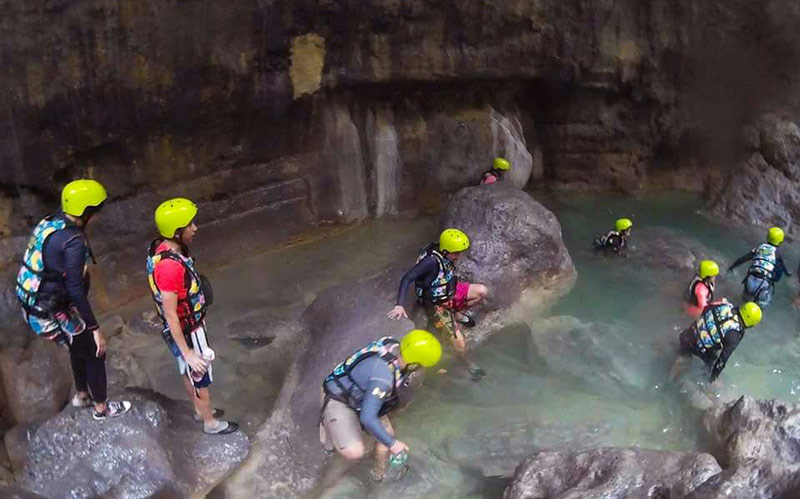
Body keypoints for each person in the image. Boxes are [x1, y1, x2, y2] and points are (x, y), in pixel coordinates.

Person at [15, 179, 131, 420]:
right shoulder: (73, 242)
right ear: (86, 213)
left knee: (78, 342)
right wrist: (95, 328)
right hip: (45, 313)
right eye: (96, 210)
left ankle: (82, 395)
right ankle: (102, 409)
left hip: (40, 303)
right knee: (95, 349)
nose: (98, 216)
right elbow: (76, 290)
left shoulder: (51, 222)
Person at [146, 198, 237, 435]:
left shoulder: (165, 249)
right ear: (177, 232)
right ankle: (210, 423)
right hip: (187, 330)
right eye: (189, 225)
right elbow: (170, 313)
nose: (195, 228)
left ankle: (200, 411)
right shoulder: (169, 268)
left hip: (186, 327)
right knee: (199, 374)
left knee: (188, 371)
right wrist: (188, 353)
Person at [320, 329, 442, 481]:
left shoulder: (393, 346)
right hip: (339, 397)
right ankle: (327, 425)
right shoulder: (383, 377)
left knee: (387, 433)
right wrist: (394, 445)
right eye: (421, 365)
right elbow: (367, 418)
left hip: (362, 393)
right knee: (355, 451)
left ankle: (379, 473)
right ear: (413, 364)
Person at [387, 229, 488, 381]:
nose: (459, 256)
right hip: (436, 303)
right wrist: (399, 305)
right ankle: (466, 363)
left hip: (449, 290)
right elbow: (407, 278)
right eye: (456, 253)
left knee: (481, 291)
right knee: (459, 342)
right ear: (446, 251)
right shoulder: (431, 261)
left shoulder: (443, 252)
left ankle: (456, 314)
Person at [670, 301, 762, 383]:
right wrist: (712, 378)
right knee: (710, 363)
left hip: (688, 334)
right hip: (697, 347)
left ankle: (670, 379)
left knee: (681, 358)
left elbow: (706, 309)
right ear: (751, 324)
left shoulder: (725, 306)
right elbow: (722, 361)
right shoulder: (734, 335)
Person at [727, 227, 791, 308]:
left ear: (767, 237)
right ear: (781, 241)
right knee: (759, 308)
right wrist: (787, 274)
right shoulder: (777, 254)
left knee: (742, 303)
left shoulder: (760, 247)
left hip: (750, 279)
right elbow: (781, 273)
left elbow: (743, 259)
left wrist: (732, 267)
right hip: (763, 283)